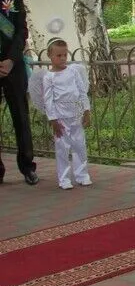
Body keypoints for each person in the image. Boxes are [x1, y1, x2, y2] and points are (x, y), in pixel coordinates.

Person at [40, 39, 92, 189]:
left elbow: (81, 91)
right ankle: (64, 179)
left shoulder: (73, 72)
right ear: (50, 55)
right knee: (62, 148)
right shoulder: (48, 77)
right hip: (61, 117)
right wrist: (53, 120)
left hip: (76, 114)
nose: (63, 58)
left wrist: (86, 110)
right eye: (59, 55)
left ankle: (82, 175)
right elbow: (48, 100)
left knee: (79, 146)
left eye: (65, 55)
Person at [0, 0, 38, 185]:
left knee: (21, 118)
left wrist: (11, 60)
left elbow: (21, 31)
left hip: (13, 66)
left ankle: (27, 166)